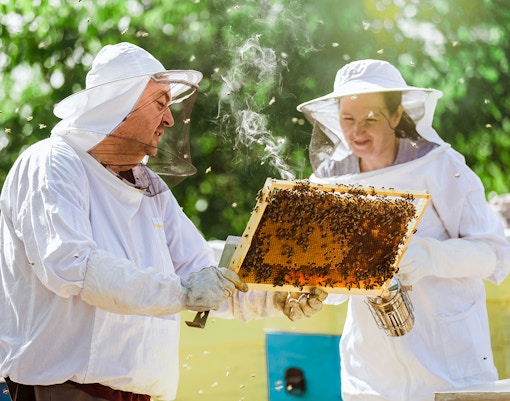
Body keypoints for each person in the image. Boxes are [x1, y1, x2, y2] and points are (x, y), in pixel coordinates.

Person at [0, 42, 327, 401]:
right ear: (118, 104)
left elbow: (202, 269)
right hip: (63, 391)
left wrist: (276, 296)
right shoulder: (51, 162)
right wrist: (182, 292)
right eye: (160, 104)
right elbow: (73, 267)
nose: (170, 119)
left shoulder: (148, 185)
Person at [297, 59, 510, 401]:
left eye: (370, 118)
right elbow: (335, 285)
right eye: (348, 120)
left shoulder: (441, 166)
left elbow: (496, 254)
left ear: (396, 116)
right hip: (370, 376)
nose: (357, 131)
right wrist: (318, 284)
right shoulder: (330, 181)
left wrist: (427, 257)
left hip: (450, 367)